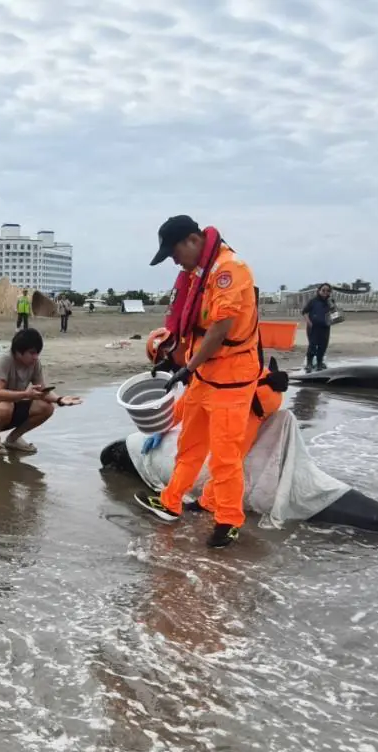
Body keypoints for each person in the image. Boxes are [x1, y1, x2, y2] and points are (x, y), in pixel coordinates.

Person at [133, 215, 280, 549]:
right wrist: (182, 359)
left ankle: (228, 521)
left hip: (231, 379)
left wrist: (188, 367)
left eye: (174, 253)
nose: (174, 261)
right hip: (203, 373)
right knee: (190, 443)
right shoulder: (200, 274)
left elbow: (220, 329)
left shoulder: (230, 270)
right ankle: (170, 502)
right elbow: (193, 322)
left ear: (193, 240)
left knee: (225, 456)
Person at [0, 326, 80, 455]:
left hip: (13, 406)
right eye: (32, 353)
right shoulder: (4, 360)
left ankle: (13, 439)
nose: (35, 357)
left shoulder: (35, 363)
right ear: (18, 352)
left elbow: (42, 391)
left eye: (37, 353)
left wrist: (60, 399)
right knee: (6, 405)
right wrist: (26, 394)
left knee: (47, 407)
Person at [300, 283, 334, 371]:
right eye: (323, 290)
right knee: (312, 346)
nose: (325, 292)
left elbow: (335, 313)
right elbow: (304, 312)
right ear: (319, 291)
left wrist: (332, 305)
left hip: (325, 327)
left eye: (328, 291)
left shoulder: (330, 302)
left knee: (323, 346)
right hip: (313, 327)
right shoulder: (313, 301)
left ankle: (319, 363)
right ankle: (309, 363)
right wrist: (308, 321)